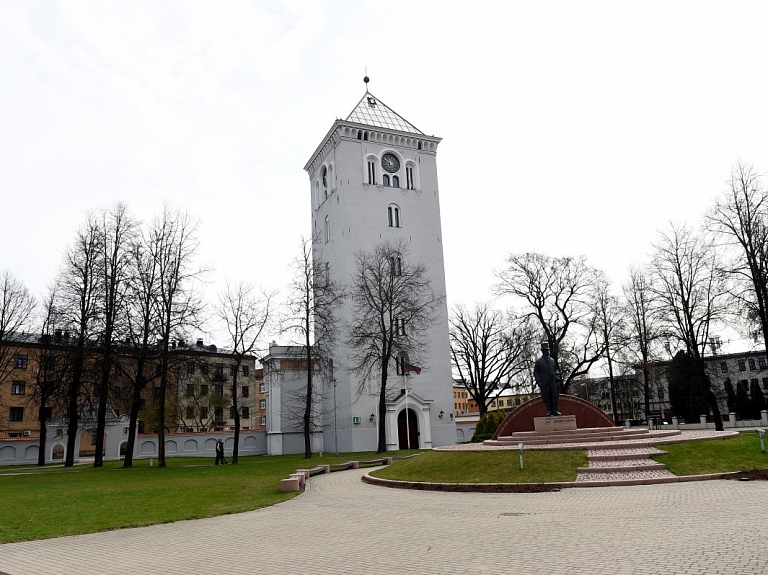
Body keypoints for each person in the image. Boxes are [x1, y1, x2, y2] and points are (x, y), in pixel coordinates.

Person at [533, 341, 561, 416]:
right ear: (542, 351)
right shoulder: (539, 362)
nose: (547, 352)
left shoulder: (552, 360)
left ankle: (555, 410)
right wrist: (539, 382)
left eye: (547, 350)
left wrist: (557, 377)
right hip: (545, 382)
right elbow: (536, 372)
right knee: (547, 397)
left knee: (554, 396)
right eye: (545, 350)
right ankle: (549, 410)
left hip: (553, 382)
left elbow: (556, 370)